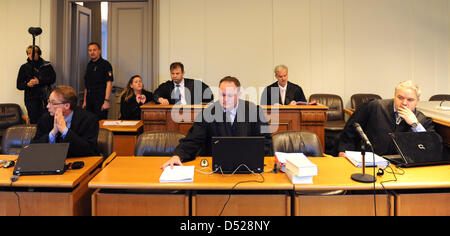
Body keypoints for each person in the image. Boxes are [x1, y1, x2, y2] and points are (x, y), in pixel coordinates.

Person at [161, 76, 272, 169]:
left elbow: (266, 141)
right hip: (216, 169)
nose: (225, 99)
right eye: (222, 95)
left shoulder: (255, 111)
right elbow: (193, 139)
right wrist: (178, 156)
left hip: (248, 167)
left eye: (229, 95)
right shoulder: (208, 113)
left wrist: (256, 160)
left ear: (239, 94)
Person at [337, 80, 436, 157]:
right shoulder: (374, 107)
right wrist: (343, 151)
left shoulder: (422, 120)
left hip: (400, 168)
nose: (404, 103)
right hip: (366, 161)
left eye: (410, 100)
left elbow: (430, 148)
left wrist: (415, 124)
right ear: (394, 96)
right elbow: (350, 130)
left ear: (417, 101)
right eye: (400, 98)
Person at [32, 86, 99, 157]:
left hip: (79, 162)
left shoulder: (88, 119)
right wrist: (53, 133)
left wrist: (65, 131)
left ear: (67, 106)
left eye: (53, 103)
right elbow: (33, 147)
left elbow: (89, 150)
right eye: (49, 101)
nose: (47, 106)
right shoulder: (45, 119)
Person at [17, 45, 56, 124]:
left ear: (38, 53)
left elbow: (52, 79)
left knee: (47, 120)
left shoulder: (47, 65)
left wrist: (39, 81)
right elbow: (18, 85)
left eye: (33, 53)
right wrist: (27, 84)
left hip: (46, 97)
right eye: (28, 53)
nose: (30, 55)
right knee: (34, 121)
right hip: (31, 99)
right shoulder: (24, 67)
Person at [82, 42, 113, 120]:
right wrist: (85, 101)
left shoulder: (106, 65)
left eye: (94, 50)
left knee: (100, 124)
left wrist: (106, 101)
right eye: (90, 50)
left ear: (99, 51)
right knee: (89, 124)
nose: (92, 52)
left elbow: (109, 83)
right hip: (89, 100)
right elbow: (86, 85)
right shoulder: (89, 65)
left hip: (101, 100)